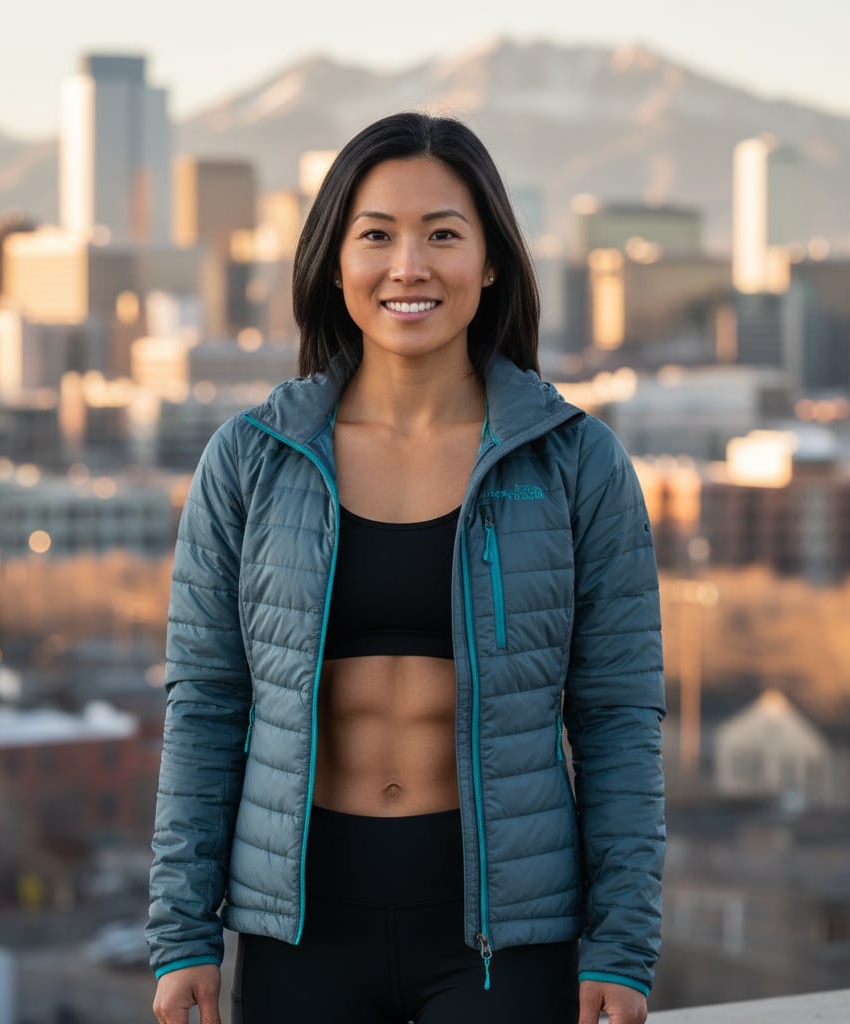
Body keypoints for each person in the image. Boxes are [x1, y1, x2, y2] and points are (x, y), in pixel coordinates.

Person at [147, 111, 665, 1024]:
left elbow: (617, 717)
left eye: (444, 235)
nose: (409, 266)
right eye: (377, 235)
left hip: (504, 936)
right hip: (299, 930)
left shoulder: (576, 463)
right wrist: (182, 933)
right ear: (334, 261)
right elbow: (207, 703)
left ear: (491, 261)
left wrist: (622, 947)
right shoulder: (251, 458)